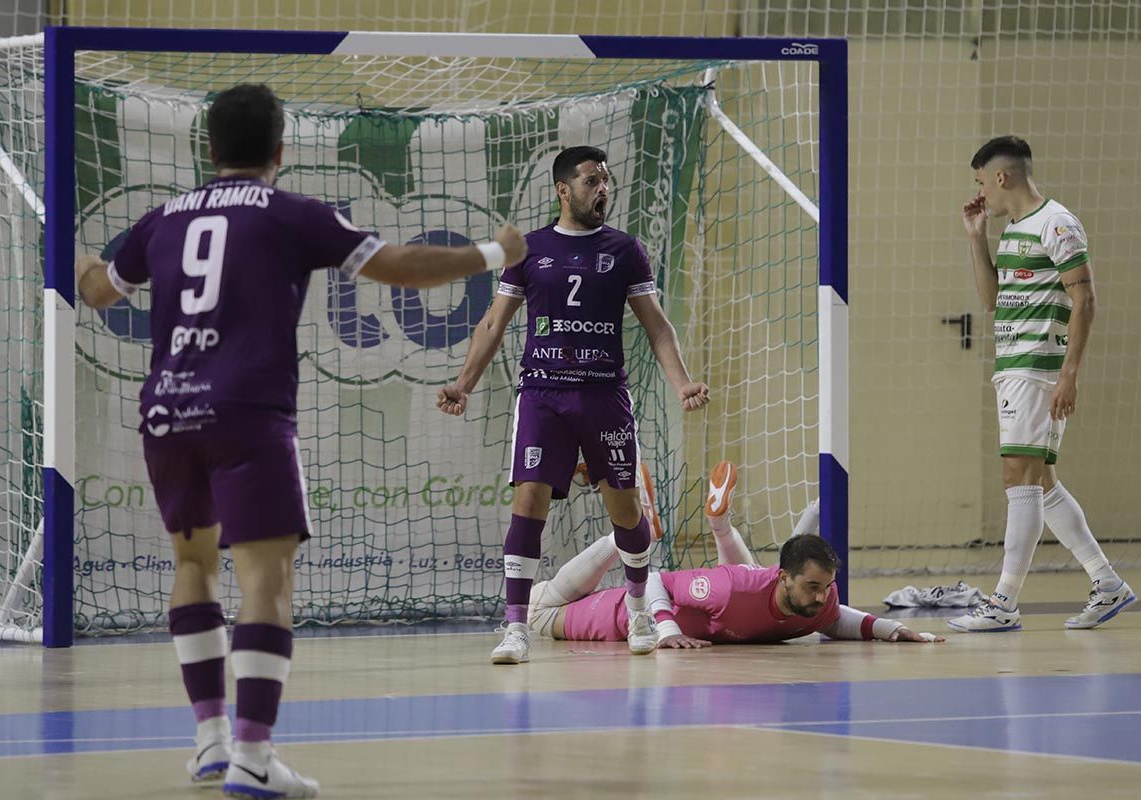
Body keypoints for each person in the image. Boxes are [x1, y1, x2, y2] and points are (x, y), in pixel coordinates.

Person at [75, 84, 527, 799]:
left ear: (209, 149)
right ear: (279, 151)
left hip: (166, 411)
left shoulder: (160, 219)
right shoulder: (292, 214)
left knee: (192, 566)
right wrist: (492, 251)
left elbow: (100, 290)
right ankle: (254, 758)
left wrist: (79, 264)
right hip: (246, 411)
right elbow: (401, 269)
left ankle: (210, 745)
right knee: (268, 581)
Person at [437, 145, 710, 665]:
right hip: (542, 393)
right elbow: (494, 323)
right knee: (528, 500)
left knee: (625, 510)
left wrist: (682, 384)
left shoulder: (626, 250)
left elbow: (657, 325)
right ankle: (515, 627)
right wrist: (463, 384)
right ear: (563, 190)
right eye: (591, 181)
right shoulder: (529, 249)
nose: (602, 188)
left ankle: (637, 608)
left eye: (606, 180)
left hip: (604, 394)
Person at [950, 135, 1134, 633]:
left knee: (1018, 480)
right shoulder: (1012, 230)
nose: (980, 191)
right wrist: (976, 236)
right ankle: (1108, 582)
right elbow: (992, 301)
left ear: (1001, 177)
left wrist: (1068, 375)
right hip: (1014, 366)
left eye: (980, 181)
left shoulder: (1057, 223)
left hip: (1038, 366)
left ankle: (1004, 602)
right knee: (1041, 482)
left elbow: (1086, 301)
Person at [528, 461, 942, 646]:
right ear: (786, 578)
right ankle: (632, 536)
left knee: (534, 612)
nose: (822, 597)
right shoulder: (730, 589)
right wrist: (668, 631)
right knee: (535, 610)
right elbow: (656, 579)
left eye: (824, 587)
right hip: (611, 615)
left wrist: (892, 631)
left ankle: (640, 536)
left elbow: (836, 620)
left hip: (629, 613)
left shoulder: (819, 600)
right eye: (814, 587)